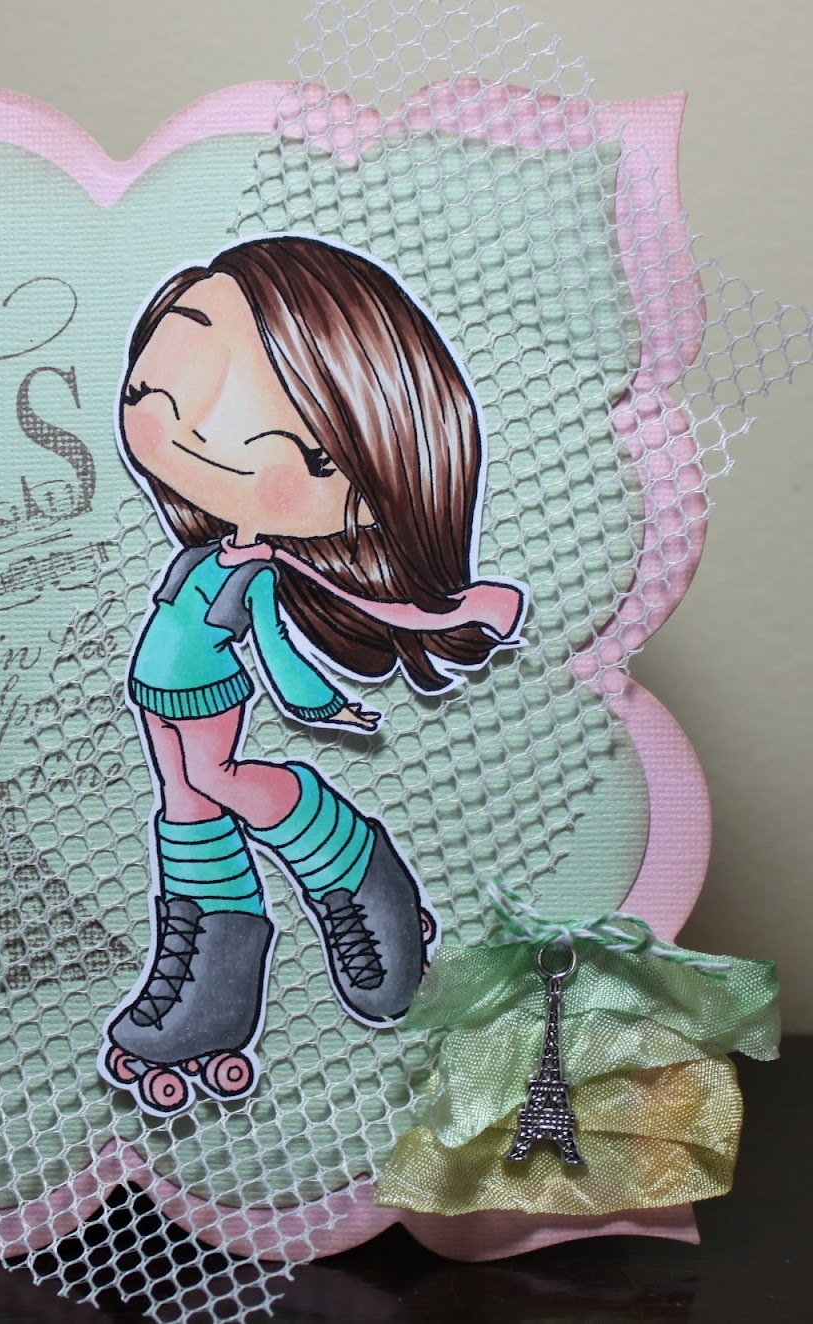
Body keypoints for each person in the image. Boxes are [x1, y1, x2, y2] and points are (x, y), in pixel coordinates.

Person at [100, 235, 526, 1116]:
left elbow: (276, 646)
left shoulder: (261, 567)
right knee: (183, 802)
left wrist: (321, 701)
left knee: (216, 779)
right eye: (154, 385)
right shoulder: (211, 549)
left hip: (202, 691)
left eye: (276, 429)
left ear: (365, 483)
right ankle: (211, 968)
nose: (184, 418)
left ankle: (351, 862)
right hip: (155, 688)